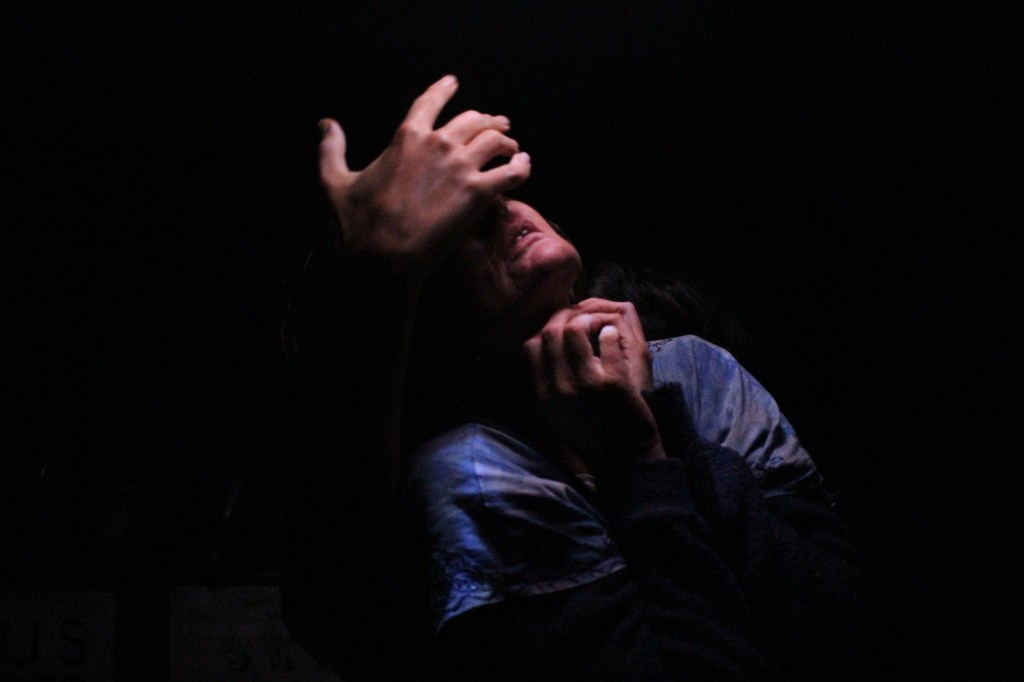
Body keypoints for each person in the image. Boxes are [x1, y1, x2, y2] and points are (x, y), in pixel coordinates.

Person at [280, 76, 877, 681]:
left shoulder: (695, 371)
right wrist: (639, 460)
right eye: (456, 225)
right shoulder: (472, 477)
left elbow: (842, 626)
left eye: (500, 188)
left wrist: (665, 427)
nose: (499, 210)